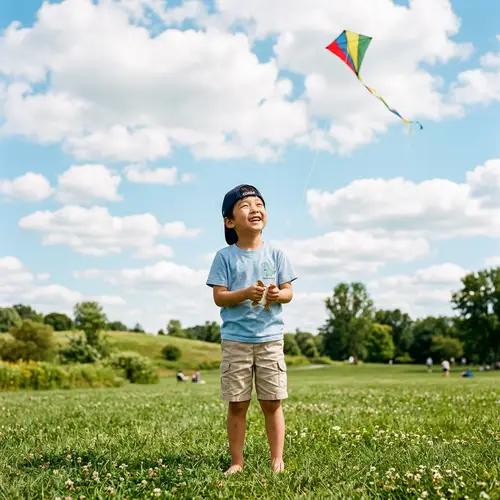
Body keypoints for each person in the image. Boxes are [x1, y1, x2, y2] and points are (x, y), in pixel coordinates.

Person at [207, 184, 297, 475]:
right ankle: (237, 461)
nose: (254, 209)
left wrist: (276, 296)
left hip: (270, 339)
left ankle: (277, 460)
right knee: (237, 403)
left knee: (272, 402)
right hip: (236, 341)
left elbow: (288, 292)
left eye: (259, 204)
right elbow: (219, 296)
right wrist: (245, 293)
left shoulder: (277, 254)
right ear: (230, 221)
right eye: (245, 206)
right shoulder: (225, 257)